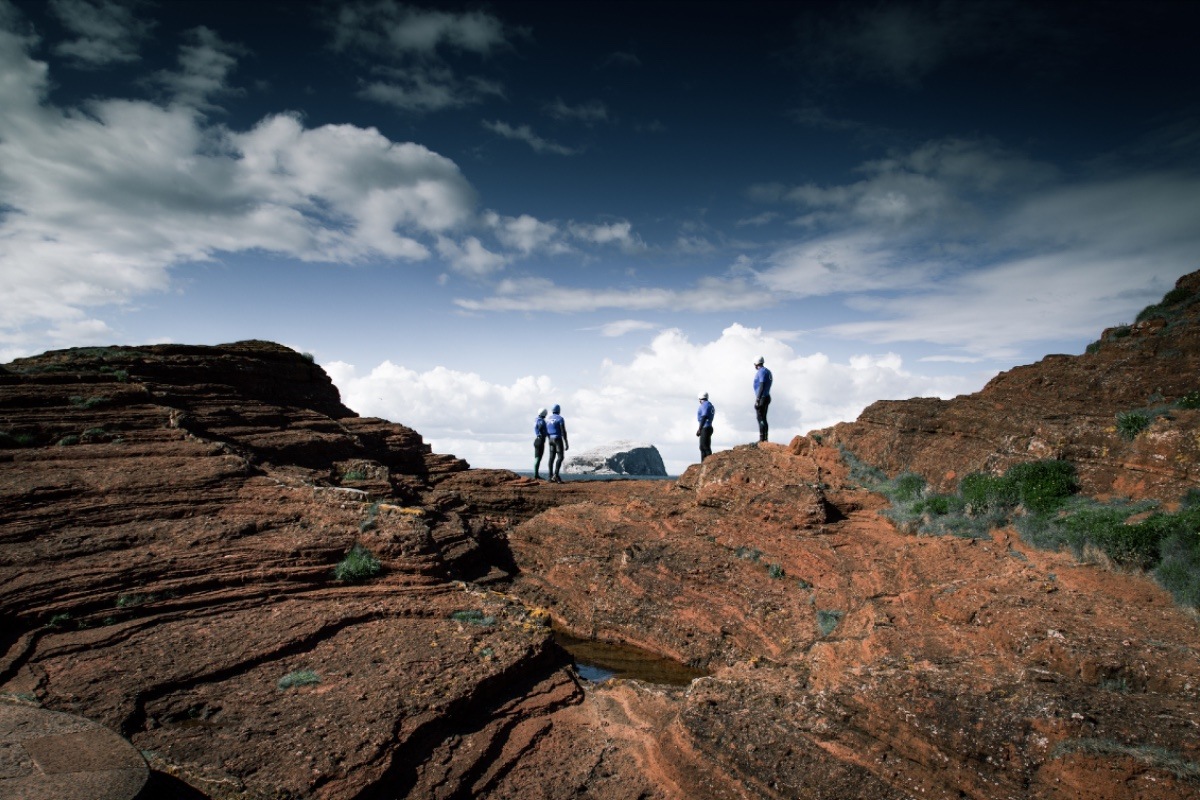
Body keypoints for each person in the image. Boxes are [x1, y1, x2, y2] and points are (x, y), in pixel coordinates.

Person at [545, 403, 569, 483]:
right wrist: (566, 442)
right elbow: (563, 431)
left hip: (550, 439)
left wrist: (549, 439)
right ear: (559, 410)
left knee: (551, 458)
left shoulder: (548, 419)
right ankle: (556, 475)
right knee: (560, 457)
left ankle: (550, 476)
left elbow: (546, 431)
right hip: (557, 439)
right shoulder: (560, 419)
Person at [753, 356, 772, 442]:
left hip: (762, 398)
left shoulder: (761, 372)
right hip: (766, 396)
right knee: (763, 418)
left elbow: (762, 385)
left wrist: (757, 399)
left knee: (760, 418)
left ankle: (762, 439)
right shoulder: (767, 371)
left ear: (756, 364)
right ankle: (765, 438)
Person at [696, 392, 715, 461]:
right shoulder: (710, 405)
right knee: (703, 447)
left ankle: (708, 463)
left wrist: (699, 429)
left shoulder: (705, 405)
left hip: (705, 427)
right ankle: (704, 463)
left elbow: (704, 416)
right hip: (708, 427)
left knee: (705, 447)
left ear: (700, 399)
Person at [533, 408, 549, 480]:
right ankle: (536, 475)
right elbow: (542, 430)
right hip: (540, 441)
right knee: (538, 458)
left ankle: (536, 474)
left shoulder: (536, 420)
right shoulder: (542, 421)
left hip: (537, 440)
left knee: (537, 457)